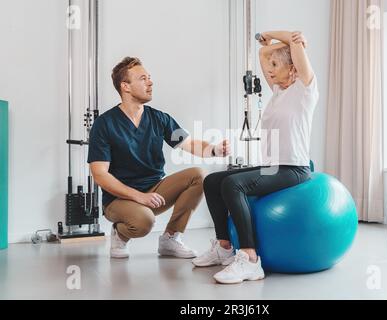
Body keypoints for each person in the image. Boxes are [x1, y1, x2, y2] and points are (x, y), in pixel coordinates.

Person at [192, 31, 319, 284]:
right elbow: (262, 52)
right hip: (271, 165)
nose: (269, 70)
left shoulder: (305, 90)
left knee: (232, 184)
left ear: (293, 68)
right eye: (270, 66)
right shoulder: (277, 91)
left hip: (293, 168)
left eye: (276, 65)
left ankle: (250, 260)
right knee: (212, 181)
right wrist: (271, 46)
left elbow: (294, 42)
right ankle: (224, 248)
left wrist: (279, 37)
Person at [88, 57, 230, 259]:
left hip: (154, 190)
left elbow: (190, 144)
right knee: (144, 222)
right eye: (143, 78)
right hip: (118, 200)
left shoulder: (158, 118)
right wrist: (138, 197)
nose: (150, 82)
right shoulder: (105, 124)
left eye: (150, 78)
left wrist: (215, 150)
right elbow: (100, 175)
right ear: (125, 86)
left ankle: (170, 239)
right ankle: (119, 234)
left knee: (199, 175)